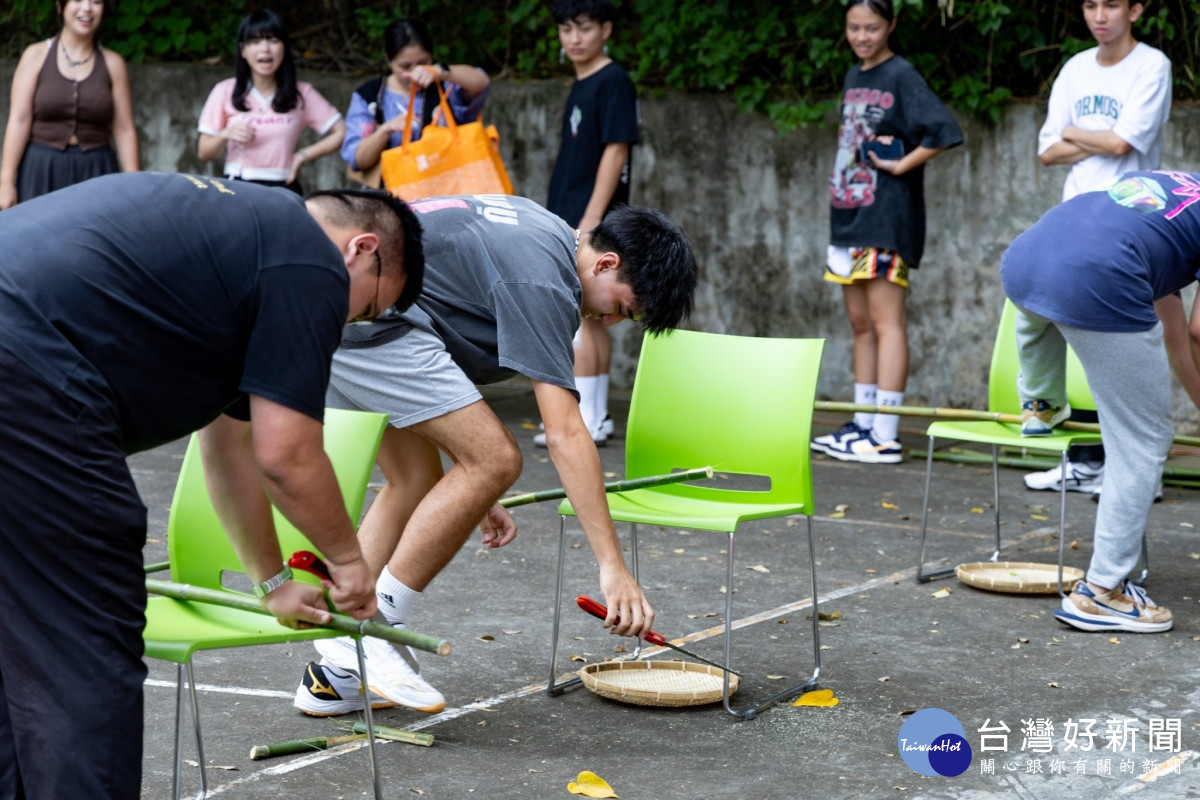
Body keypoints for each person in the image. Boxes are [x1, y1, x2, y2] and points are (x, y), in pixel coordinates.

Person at [0, 173, 422, 797]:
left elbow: (230, 448)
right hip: (28, 370)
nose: (344, 327)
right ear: (363, 249)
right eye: (365, 309)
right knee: (83, 647)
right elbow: (288, 454)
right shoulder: (308, 261)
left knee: (20, 629)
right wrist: (349, 561)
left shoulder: (234, 246)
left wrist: (274, 583)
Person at [290, 194, 697, 716]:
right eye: (621, 306)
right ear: (607, 262)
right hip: (374, 323)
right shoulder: (545, 279)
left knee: (414, 482)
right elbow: (566, 432)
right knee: (499, 459)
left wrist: (469, 480)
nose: (610, 320)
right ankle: (368, 632)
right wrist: (612, 568)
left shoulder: (545, 227)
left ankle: (333, 680)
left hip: (347, 318)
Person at [1001, 169, 1200, 634]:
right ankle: (1103, 591)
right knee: (1144, 441)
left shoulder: (1181, 196)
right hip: (1098, 273)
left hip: (1027, 255)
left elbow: (1174, 333)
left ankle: (1039, 402)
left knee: (1039, 310)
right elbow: (1197, 333)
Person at [1024, 0, 1189, 501]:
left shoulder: (1152, 65)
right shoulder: (1075, 68)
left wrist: (1075, 132)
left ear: (1135, 10)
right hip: (1077, 225)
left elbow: (1123, 145)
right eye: (1091, 4)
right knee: (1081, 343)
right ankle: (1089, 459)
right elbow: (1046, 150)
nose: (1100, 15)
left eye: (1111, 4)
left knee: (1162, 340)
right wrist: (1092, 138)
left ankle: (1144, 471)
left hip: (1140, 228)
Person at [810, 0, 963, 464]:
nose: (862, 36)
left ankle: (886, 433)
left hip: (886, 220)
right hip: (849, 219)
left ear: (891, 25)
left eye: (872, 27)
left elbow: (944, 130)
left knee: (886, 322)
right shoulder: (855, 76)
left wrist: (901, 164)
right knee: (860, 326)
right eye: (854, 27)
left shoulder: (901, 74)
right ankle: (863, 422)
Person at [534, 0, 640, 447]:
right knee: (589, 319)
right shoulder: (582, 83)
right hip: (572, 212)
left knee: (585, 316)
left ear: (606, 29)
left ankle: (589, 416)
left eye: (584, 28)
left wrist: (591, 221)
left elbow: (617, 150)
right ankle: (590, 415)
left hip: (590, 217)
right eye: (565, 29)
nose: (574, 38)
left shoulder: (612, 80)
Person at [0, 0, 138, 209]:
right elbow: (19, 120)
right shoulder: (35, 56)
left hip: (96, 171)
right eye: (78, 0)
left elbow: (124, 129)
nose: (87, 8)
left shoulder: (114, 64)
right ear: (60, 6)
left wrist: (135, 187)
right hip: (41, 169)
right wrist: (6, 181)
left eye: (96, 2)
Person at [198, 9, 345, 194]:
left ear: (284, 47)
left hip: (284, 188)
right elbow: (204, 152)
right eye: (255, 41)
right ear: (243, 50)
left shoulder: (302, 93)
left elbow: (341, 131)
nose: (265, 49)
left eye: (273, 40)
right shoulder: (225, 90)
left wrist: (302, 156)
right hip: (238, 187)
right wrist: (226, 134)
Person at [341, 18, 491, 186]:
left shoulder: (446, 87)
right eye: (405, 66)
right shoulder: (368, 96)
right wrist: (385, 130)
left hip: (448, 189)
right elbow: (357, 159)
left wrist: (440, 71)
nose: (415, 73)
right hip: (389, 196)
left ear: (431, 56)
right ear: (388, 60)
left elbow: (481, 82)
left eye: (423, 63)